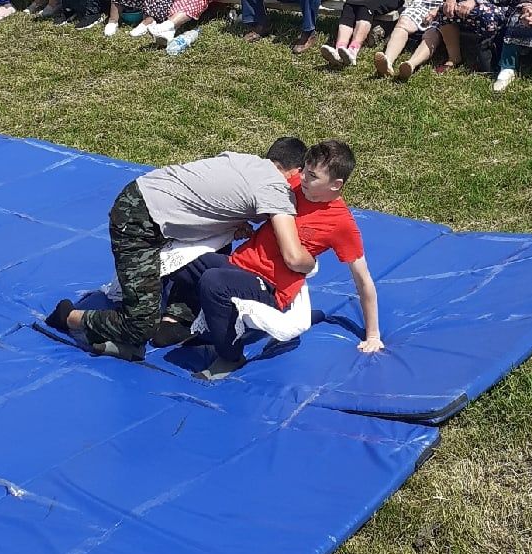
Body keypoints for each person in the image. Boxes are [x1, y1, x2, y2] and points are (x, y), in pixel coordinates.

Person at [46, 140, 312, 362]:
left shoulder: (244, 162)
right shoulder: (275, 187)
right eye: (305, 178)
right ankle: (70, 316)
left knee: (221, 242)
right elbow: (292, 255)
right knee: (140, 325)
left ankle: (176, 316)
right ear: (295, 172)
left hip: (145, 200)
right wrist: (311, 264)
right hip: (138, 220)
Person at [163, 139, 384, 380]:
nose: (304, 180)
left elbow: (363, 280)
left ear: (335, 185)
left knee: (214, 282)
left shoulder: (341, 224)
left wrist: (373, 335)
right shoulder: (293, 186)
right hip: (240, 264)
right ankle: (192, 322)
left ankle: (230, 356)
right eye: (304, 172)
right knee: (187, 260)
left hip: (270, 285)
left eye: (312, 176)